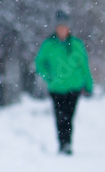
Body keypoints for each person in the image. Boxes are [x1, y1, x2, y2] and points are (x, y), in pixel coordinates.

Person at [34, 10, 93, 155]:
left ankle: (68, 143)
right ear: (55, 28)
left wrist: (89, 84)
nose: (62, 29)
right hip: (56, 87)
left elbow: (84, 65)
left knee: (69, 116)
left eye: (64, 26)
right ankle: (62, 143)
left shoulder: (76, 44)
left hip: (74, 86)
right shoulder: (49, 45)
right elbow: (39, 63)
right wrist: (48, 76)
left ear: (69, 28)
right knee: (60, 117)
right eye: (59, 26)